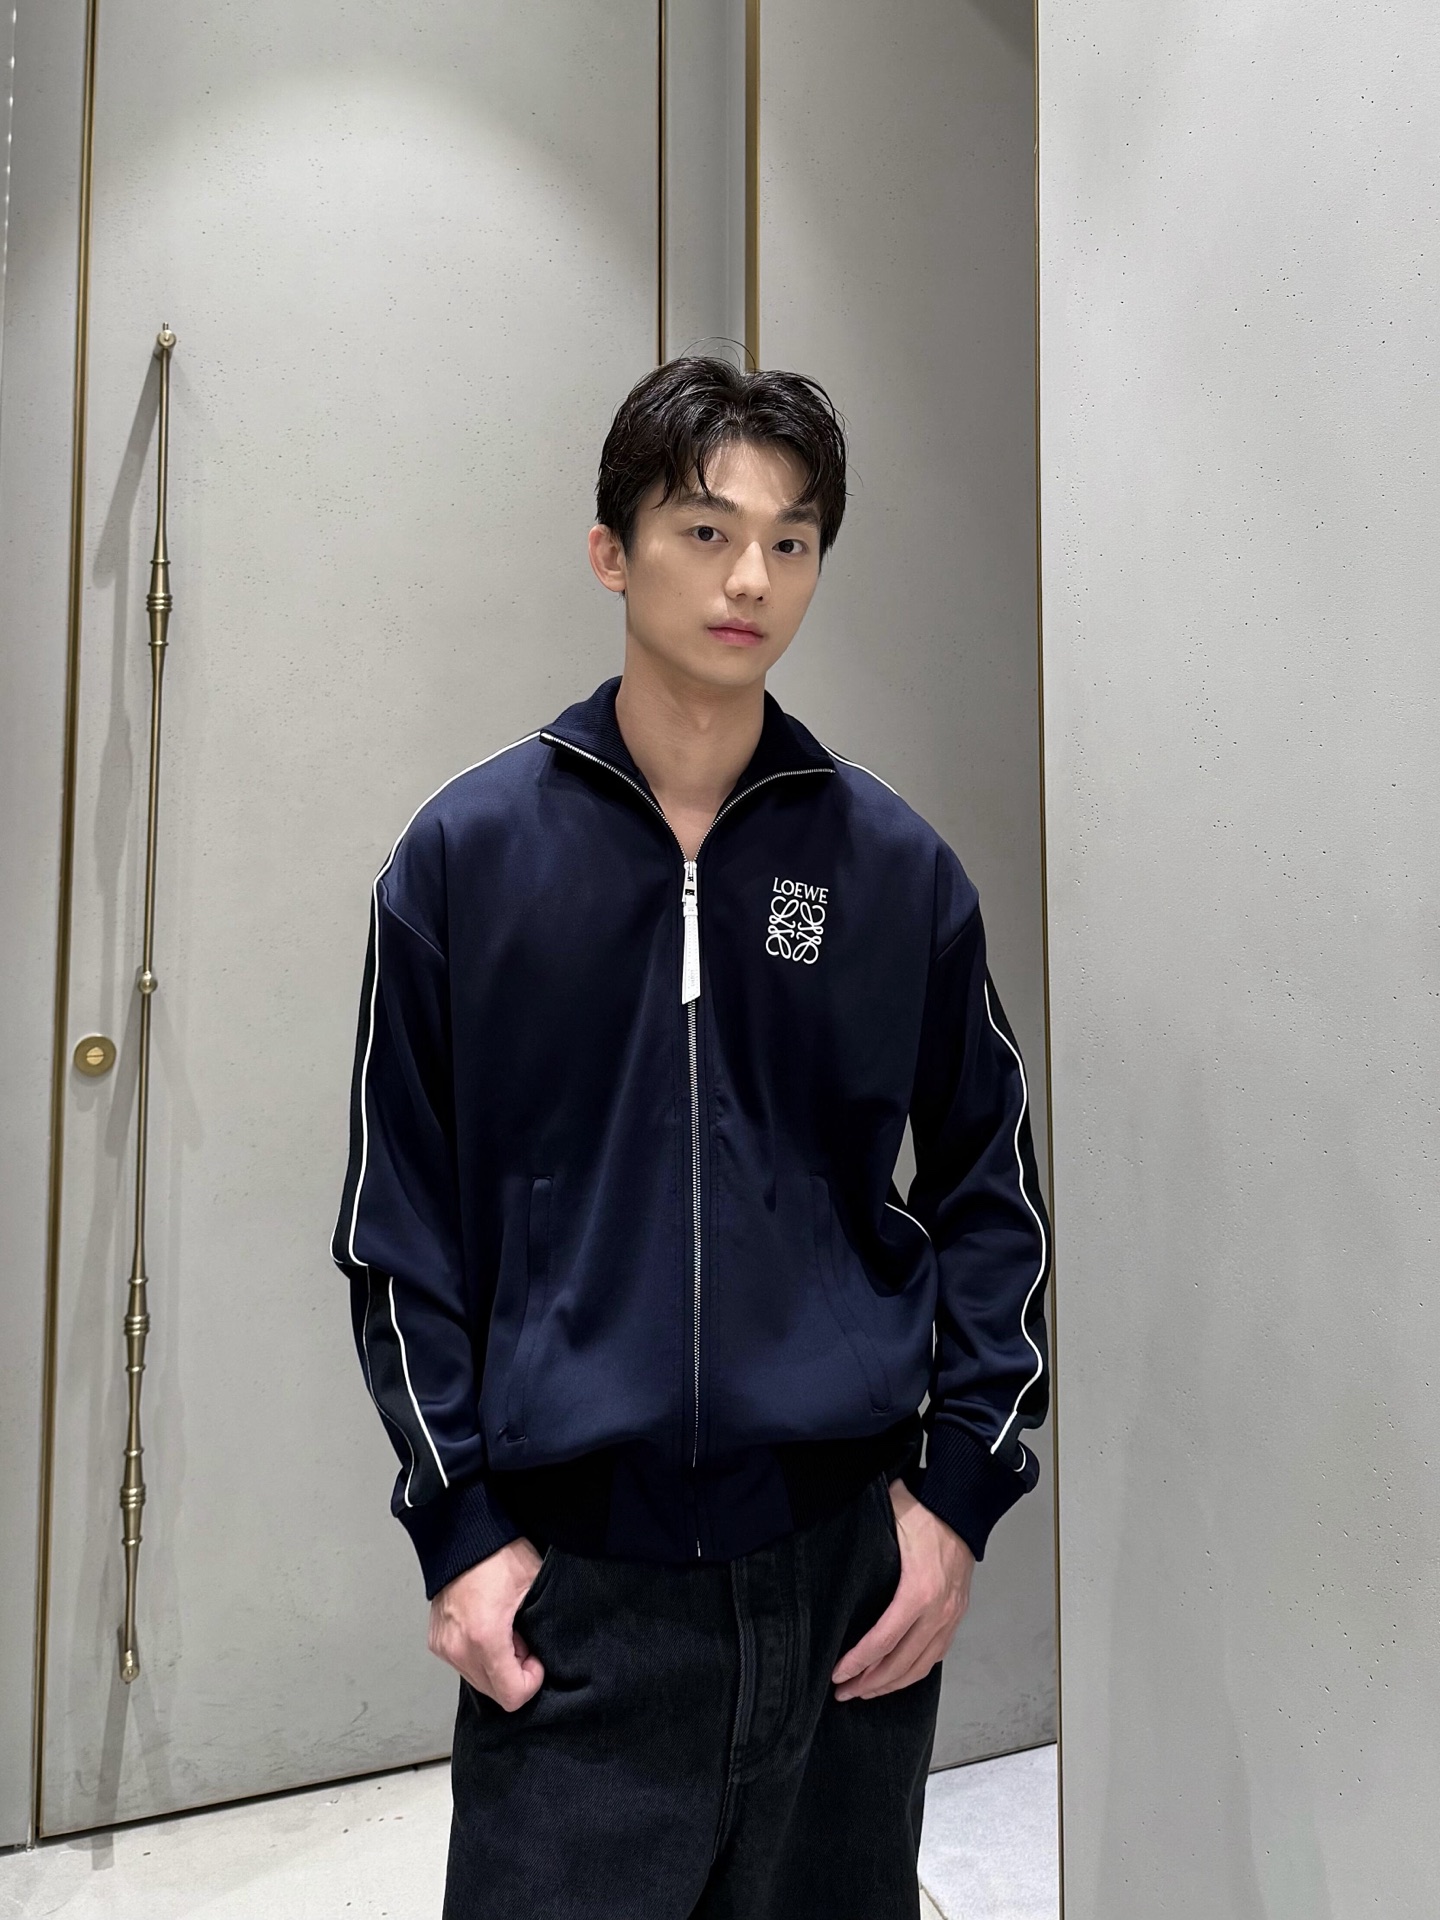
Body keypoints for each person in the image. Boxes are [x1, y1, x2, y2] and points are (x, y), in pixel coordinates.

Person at [330, 355, 1051, 1919]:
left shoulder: (893, 870)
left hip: (844, 1584)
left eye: (793, 541)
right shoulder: (465, 860)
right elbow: (397, 1233)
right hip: (578, 1598)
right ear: (613, 551)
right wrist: (461, 1532)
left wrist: (955, 1503)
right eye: (706, 531)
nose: (750, 580)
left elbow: (993, 1195)